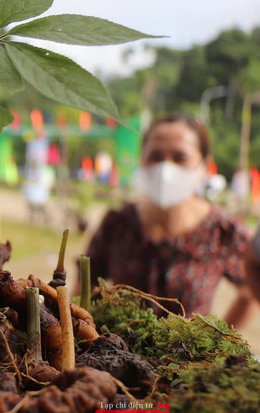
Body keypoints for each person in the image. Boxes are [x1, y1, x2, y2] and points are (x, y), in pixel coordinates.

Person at [80, 113, 257, 327]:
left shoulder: (221, 231)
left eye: (179, 157)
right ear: (142, 159)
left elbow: (251, 290)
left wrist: (217, 346)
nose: (165, 168)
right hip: (118, 356)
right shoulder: (117, 224)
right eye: (155, 156)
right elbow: (82, 289)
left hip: (189, 360)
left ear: (203, 167)